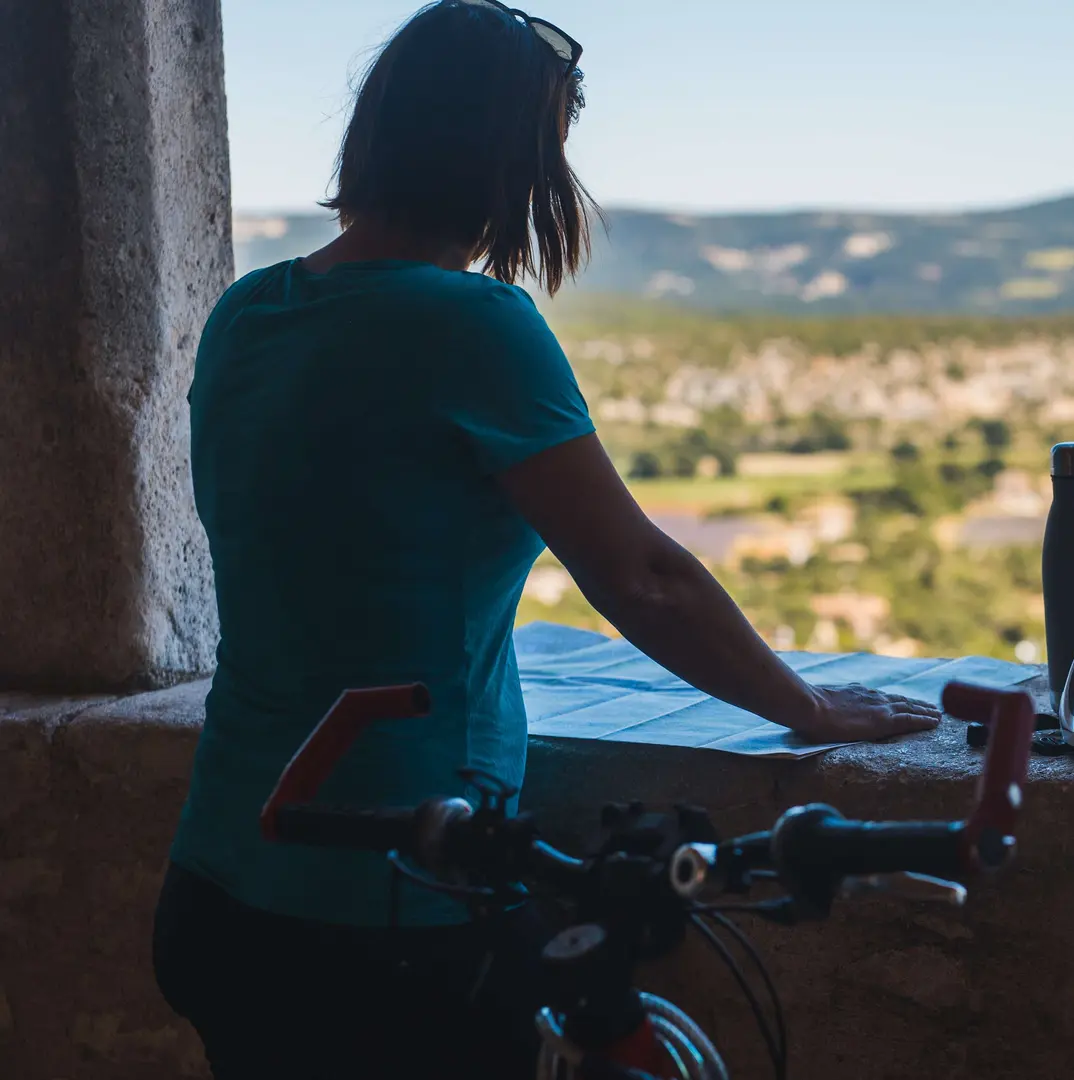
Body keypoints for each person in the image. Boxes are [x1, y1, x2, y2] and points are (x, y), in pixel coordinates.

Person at [150, 4, 940, 1078]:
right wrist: (806, 706)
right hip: (395, 902)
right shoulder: (472, 325)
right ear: (511, 160)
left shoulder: (250, 311)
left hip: (223, 879)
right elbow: (643, 576)